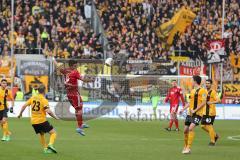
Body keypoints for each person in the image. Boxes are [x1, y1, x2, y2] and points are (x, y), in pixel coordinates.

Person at [51, 55, 93, 136]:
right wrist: (90, 80)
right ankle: (79, 127)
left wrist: (53, 59)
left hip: (69, 93)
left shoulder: (66, 70)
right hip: (74, 93)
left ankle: (81, 123)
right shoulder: (75, 72)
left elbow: (58, 66)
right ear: (72, 65)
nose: (76, 66)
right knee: (79, 109)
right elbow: (83, 79)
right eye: (75, 65)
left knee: (79, 108)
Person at [18, 85, 58, 154]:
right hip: (41, 120)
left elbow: (24, 105)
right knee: (53, 133)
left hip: (33, 122)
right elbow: (48, 111)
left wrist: (20, 114)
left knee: (41, 134)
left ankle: (45, 149)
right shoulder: (44, 100)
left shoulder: (33, 98)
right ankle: (50, 144)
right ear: (44, 91)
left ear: (38, 91)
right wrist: (55, 117)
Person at [179, 75, 207, 154]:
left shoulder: (203, 91)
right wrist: (183, 109)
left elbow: (204, 102)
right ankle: (185, 146)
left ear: (195, 81)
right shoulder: (192, 91)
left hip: (198, 114)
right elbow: (189, 102)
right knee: (185, 130)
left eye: (192, 80)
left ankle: (188, 148)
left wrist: (195, 110)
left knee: (191, 128)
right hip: (190, 114)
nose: (191, 81)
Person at [201, 79, 220, 146]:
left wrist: (211, 102)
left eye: (208, 83)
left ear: (211, 84)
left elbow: (218, 100)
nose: (207, 84)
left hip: (211, 112)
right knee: (202, 126)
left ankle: (213, 141)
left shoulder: (213, 92)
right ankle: (215, 135)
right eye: (206, 83)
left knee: (209, 125)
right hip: (204, 112)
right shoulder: (203, 91)